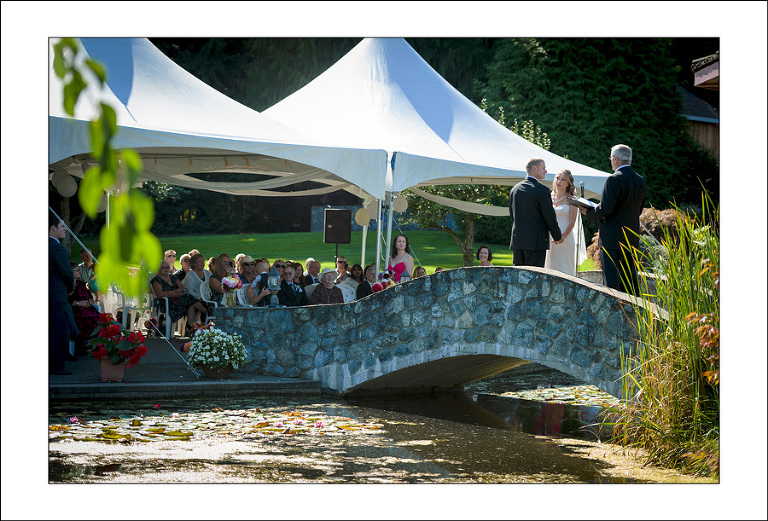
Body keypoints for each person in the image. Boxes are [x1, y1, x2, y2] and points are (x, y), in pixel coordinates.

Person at [580, 144, 646, 294]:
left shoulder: (613, 179)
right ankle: (631, 312)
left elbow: (605, 209)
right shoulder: (640, 180)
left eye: (611, 158)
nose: (611, 161)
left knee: (611, 281)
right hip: (631, 237)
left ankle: (614, 310)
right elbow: (638, 210)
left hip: (612, 239)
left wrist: (589, 213)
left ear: (616, 159)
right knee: (629, 280)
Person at [509, 158, 563, 267]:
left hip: (518, 241)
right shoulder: (542, 190)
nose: (546, 171)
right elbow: (549, 217)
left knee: (517, 278)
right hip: (536, 243)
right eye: (543, 168)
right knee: (534, 280)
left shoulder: (514, 189)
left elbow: (512, 215)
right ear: (534, 168)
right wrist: (557, 236)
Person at [545, 169, 587, 277]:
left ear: (568, 184)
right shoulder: (549, 197)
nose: (559, 181)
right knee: (549, 266)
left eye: (563, 179)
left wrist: (561, 237)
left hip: (565, 237)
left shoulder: (572, 200)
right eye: (557, 178)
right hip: (549, 236)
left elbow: (572, 222)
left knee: (564, 267)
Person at [49, 213, 76, 375]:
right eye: (62, 226)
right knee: (58, 331)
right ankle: (57, 366)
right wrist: (70, 287)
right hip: (56, 295)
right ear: (53, 228)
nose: (66, 229)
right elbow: (67, 271)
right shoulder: (57, 247)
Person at [150, 259, 208, 329]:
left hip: (179, 301)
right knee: (190, 299)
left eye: (167, 267)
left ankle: (191, 328)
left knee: (191, 305)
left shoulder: (173, 277)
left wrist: (175, 293)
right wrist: (174, 293)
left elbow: (182, 288)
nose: (166, 269)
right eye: (163, 267)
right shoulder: (156, 280)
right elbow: (159, 294)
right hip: (167, 303)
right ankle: (207, 313)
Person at [69, 264, 100, 356]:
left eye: (79, 270)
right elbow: (69, 301)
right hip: (76, 310)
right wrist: (79, 303)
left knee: (100, 318)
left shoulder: (80, 284)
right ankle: (84, 343)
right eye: (77, 270)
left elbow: (89, 296)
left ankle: (98, 343)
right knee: (88, 319)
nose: (80, 272)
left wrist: (90, 301)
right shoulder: (68, 285)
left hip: (88, 309)